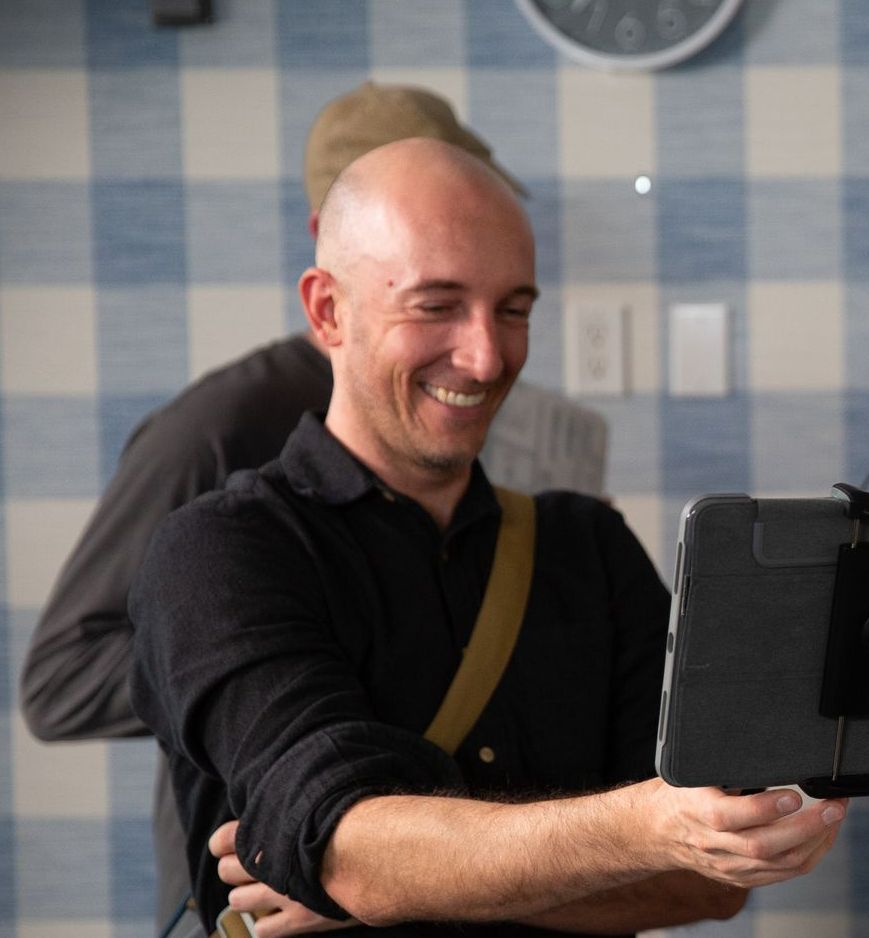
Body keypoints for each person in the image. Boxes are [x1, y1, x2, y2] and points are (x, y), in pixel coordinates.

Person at [128, 138, 848, 937]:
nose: (486, 356)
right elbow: (348, 850)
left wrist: (404, 885)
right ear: (328, 310)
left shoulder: (591, 547)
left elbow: (709, 883)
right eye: (436, 306)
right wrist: (646, 832)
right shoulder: (218, 555)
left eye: (514, 310)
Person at [18, 81, 540, 934]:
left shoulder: (470, 387)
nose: (481, 353)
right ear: (330, 251)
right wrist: (253, 647)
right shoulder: (214, 428)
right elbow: (59, 681)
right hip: (259, 890)